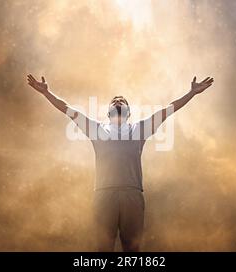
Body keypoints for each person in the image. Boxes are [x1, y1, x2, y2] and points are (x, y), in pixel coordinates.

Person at [27, 74, 214, 251]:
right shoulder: (96, 129)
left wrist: (191, 93)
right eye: (114, 102)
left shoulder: (140, 129)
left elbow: (168, 110)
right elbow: (67, 109)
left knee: (132, 248)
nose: (118, 102)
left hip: (132, 193)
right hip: (103, 194)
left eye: (122, 102)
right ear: (108, 112)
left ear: (128, 112)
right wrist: (46, 93)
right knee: (103, 247)